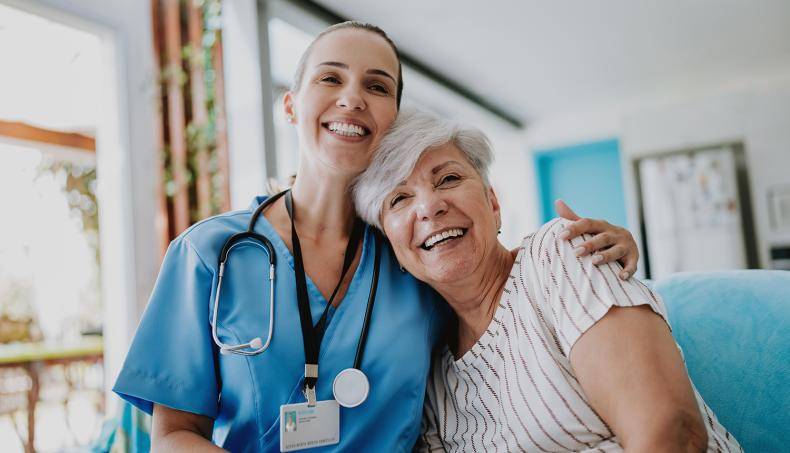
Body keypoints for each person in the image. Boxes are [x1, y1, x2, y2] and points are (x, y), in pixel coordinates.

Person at [113, 22, 641, 452]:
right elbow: (175, 435)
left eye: (377, 86)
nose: (352, 99)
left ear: (391, 120)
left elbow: (500, 285)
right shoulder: (210, 254)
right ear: (292, 105)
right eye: (330, 79)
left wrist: (585, 250)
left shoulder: (412, 254)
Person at [353, 108, 742, 452]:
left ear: (493, 204)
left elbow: (673, 434)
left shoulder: (558, 255)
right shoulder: (432, 379)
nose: (429, 206)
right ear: (390, 243)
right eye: (399, 199)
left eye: (449, 179)